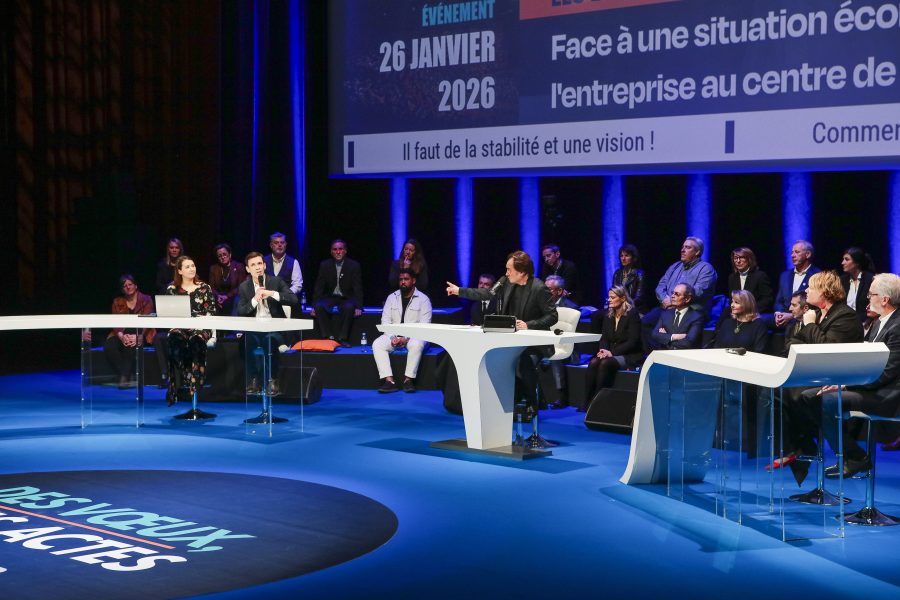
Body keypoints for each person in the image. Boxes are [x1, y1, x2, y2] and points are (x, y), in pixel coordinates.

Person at [794, 273, 900, 478]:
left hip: (888, 395)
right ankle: (852, 455)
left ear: (884, 299)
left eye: (871, 294)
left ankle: (853, 457)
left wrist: (846, 385)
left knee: (828, 399)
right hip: (870, 387)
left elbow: (887, 372)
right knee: (809, 396)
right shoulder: (879, 322)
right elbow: (865, 363)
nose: (867, 298)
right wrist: (842, 381)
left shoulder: (897, 326)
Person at [775, 270, 864, 473]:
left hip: (837, 377)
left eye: (811, 287)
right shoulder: (816, 314)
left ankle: (810, 447)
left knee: (794, 392)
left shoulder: (845, 316)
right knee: (774, 390)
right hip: (815, 373)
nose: (806, 290)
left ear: (824, 291)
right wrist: (809, 329)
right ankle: (802, 445)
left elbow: (826, 351)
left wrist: (809, 325)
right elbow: (793, 344)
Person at [447, 250, 557, 409]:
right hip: (510, 340)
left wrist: (529, 324)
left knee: (523, 362)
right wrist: (459, 291)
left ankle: (532, 403)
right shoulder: (506, 281)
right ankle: (503, 401)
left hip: (534, 343)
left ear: (522, 272)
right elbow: (487, 293)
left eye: (509, 270)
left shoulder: (539, 288)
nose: (506, 273)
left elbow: (552, 316)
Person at [237, 252, 300, 396]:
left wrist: (272, 293)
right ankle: (254, 379)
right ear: (248, 269)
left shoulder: (276, 282)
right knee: (245, 342)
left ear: (264, 265)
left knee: (269, 341)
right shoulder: (244, 287)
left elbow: (293, 299)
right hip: (254, 330)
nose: (257, 267)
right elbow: (241, 311)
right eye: (253, 265)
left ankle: (273, 379)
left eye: (260, 263)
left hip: (275, 330)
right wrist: (255, 299)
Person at [642, 237, 716, 349]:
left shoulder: (706, 269)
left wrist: (675, 301)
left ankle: (668, 348)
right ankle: (656, 353)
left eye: (687, 247)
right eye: (682, 247)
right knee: (646, 322)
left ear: (697, 252)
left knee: (667, 328)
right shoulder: (675, 266)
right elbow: (661, 286)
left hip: (690, 309)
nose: (682, 250)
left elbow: (698, 291)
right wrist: (665, 300)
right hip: (668, 307)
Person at [164, 255, 217, 406]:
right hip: (180, 326)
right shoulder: (172, 289)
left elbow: (211, 312)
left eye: (193, 266)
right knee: (174, 338)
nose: (191, 269)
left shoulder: (204, 288)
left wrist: (196, 324)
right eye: (187, 267)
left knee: (196, 339)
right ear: (179, 271)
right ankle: (187, 376)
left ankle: (195, 379)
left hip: (201, 326)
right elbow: (167, 313)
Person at [583, 286, 643, 412]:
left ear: (623, 298)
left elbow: (633, 341)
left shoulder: (632, 314)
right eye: (609, 297)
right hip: (610, 353)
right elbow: (604, 338)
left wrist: (612, 352)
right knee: (594, 362)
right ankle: (587, 402)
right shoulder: (609, 314)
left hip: (628, 355)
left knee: (605, 363)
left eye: (612, 297)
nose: (609, 300)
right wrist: (602, 350)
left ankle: (597, 403)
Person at [374, 268, 433, 393]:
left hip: (415, 336)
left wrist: (406, 338)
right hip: (394, 336)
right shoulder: (392, 298)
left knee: (416, 344)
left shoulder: (423, 299)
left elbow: (425, 325)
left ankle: (408, 380)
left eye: (406, 279)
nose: (403, 282)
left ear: (413, 281)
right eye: (401, 279)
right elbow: (385, 322)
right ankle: (389, 381)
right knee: (377, 344)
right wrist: (392, 337)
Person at [104, 274, 156, 389]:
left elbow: (147, 320)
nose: (128, 287)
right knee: (109, 346)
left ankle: (124, 377)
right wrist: (121, 336)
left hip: (142, 332)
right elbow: (115, 322)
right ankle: (127, 374)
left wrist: (139, 336)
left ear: (135, 286)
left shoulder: (146, 299)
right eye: (124, 286)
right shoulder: (117, 301)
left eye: (130, 284)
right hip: (122, 333)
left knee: (131, 342)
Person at [311, 239, 363, 346]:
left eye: (340, 249)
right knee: (319, 306)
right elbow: (319, 287)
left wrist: (359, 306)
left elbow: (357, 287)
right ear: (331, 252)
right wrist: (314, 306)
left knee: (349, 307)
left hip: (346, 297)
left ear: (345, 251)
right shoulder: (325, 265)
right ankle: (327, 337)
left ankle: (343, 338)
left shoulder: (354, 265)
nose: (338, 252)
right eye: (335, 249)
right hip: (330, 297)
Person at [545, 275, 579, 409]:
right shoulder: (543, 305)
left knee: (556, 356)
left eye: (549, 289)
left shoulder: (571, 308)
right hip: (546, 344)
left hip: (568, 348)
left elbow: (569, 335)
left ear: (559, 291)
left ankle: (561, 396)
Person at [773, 240, 821, 328]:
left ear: (808, 254)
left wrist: (792, 316)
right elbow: (778, 301)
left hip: (805, 320)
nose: (792, 255)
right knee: (759, 321)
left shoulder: (818, 276)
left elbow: (817, 305)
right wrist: (779, 314)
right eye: (792, 252)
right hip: (784, 318)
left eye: (797, 252)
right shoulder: (785, 275)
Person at [649, 283, 704, 350]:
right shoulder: (665, 314)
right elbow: (654, 334)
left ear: (687, 299)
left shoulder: (696, 317)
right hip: (665, 353)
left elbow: (688, 342)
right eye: (672, 293)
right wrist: (674, 337)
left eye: (677, 294)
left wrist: (665, 338)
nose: (672, 296)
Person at [727, 247, 774, 315]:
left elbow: (767, 299)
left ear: (749, 259)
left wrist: (750, 311)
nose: (738, 261)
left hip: (754, 313)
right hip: (737, 313)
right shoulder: (732, 277)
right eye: (735, 258)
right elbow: (731, 299)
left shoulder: (760, 276)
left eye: (741, 257)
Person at [208, 243, 246, 316]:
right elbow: (211, 287)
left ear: (230, 255)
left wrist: (227, 296)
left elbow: (241, 286)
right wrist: (218, 296)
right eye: (220, 256)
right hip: (219, 298)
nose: (222, 257)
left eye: (224, 254)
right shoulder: (214, 268)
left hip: (234, 297)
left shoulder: (239, 266)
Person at [840, 246, 876, 323]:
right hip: (846, 323)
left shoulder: (870, 279)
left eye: (847, 259)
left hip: (865, 323)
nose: (842, 263)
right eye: (843, 259)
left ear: (857, 262)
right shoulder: (842, 280)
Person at [265, 232, 303, 297]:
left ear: (285, 244)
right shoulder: (263, 261)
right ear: (271, 245)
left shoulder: (294, 262)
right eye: (276, 243)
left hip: (286, 300)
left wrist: (284, 294)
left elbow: (297, 284)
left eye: (282, 242)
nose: (279, 245)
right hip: (267, 299)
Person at [613, 244, 647, 313]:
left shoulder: (639, 274)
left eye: (626, 255)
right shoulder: (617, 273)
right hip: (618, 307)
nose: (623, 258)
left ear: (634, 258)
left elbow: (639, 298)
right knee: (597, 314)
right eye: (621, 256)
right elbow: (613, 292)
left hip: (633, 308)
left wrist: (625, 304)